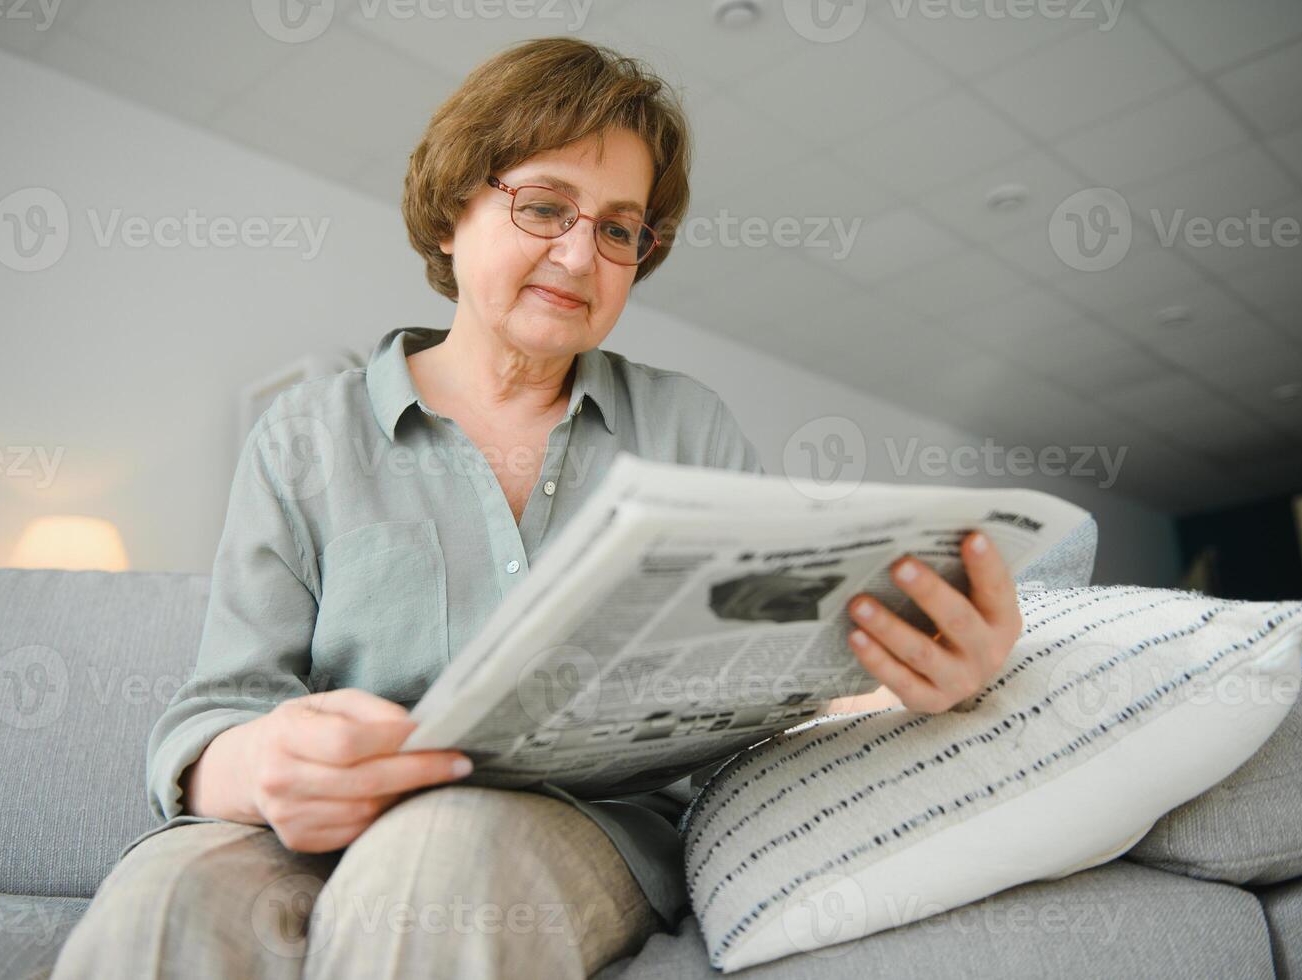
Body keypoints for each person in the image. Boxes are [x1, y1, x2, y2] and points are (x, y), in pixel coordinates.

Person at [52, 36, 1023, 980]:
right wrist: (264, 762)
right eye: (544, 205)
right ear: (449, 215)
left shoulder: (686, 425)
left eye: (616, 228)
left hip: (573, 838)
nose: (579, 253)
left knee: (437, 859)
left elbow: (770, 691)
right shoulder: (305, 438)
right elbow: (216, 716)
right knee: (163, 891)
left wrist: (930, 678)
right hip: (316, 833)